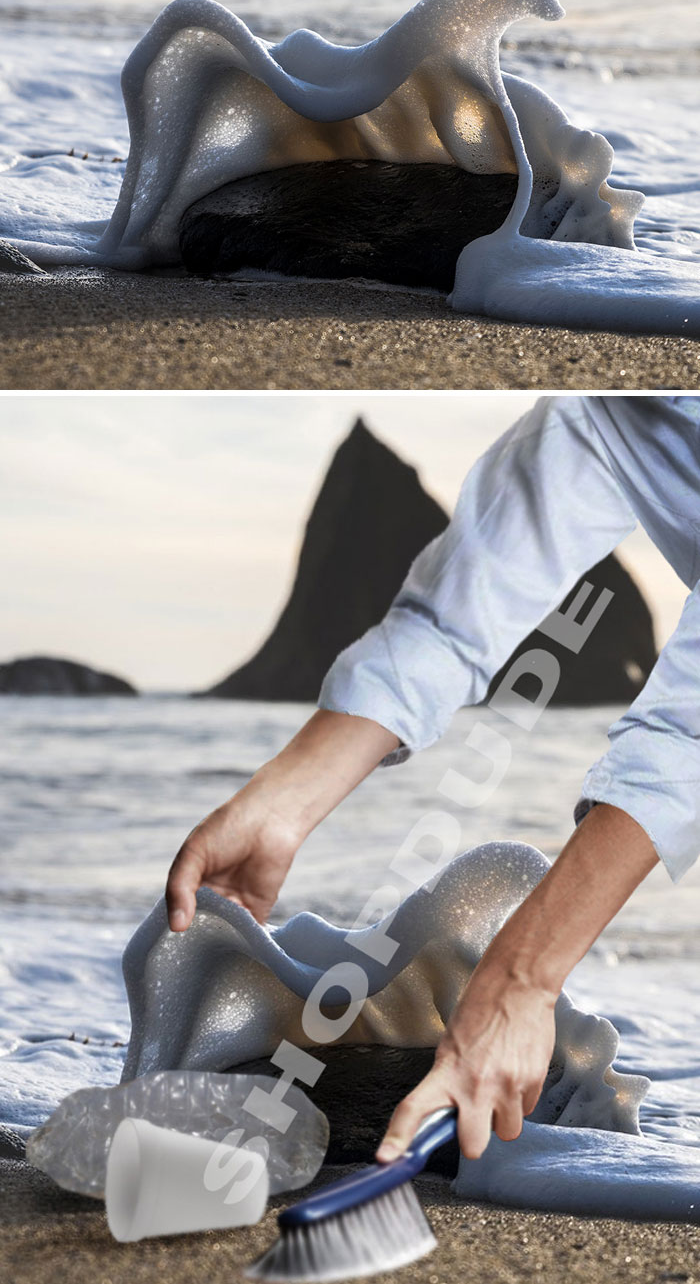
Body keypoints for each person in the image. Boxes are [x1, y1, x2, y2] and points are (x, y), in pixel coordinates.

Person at [165, 394, 700, 1163]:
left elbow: (686, 731)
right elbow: (463, 605)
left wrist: (524, 976)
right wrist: (284, 798)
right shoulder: (626, 387)